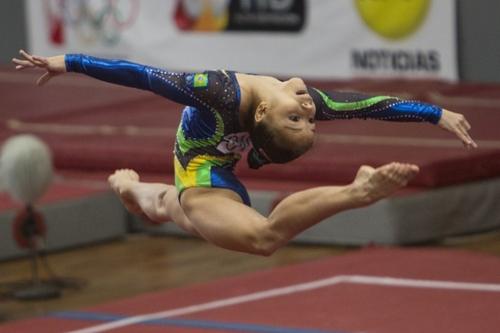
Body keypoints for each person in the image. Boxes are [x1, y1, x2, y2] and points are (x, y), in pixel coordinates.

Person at [13, 50, 476, 256]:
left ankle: (132, 189)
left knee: (166, 208)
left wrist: (436, 116)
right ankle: (357, 192)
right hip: (202, 180)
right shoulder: (217, 90)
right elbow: (141, 75)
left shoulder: (255, 103)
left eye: (303, 119)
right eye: (302, 118)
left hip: (219, 173)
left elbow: (377, 108)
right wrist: (67, 62)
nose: (306, 108)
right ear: (257, 121)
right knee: (264, 238)